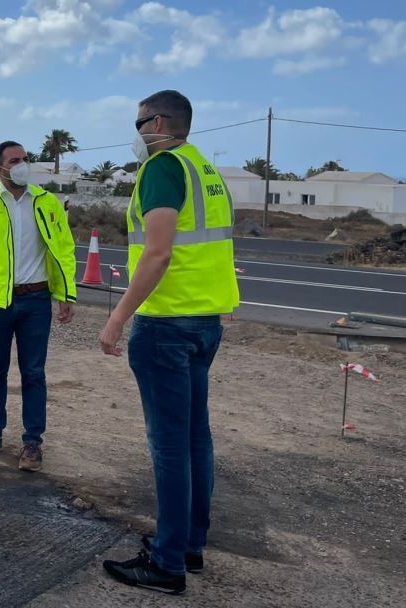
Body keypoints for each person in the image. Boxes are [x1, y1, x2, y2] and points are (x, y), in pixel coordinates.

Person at [99, 90, 240, 595]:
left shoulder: (162, 168)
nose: (136, 133)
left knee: (169, 446)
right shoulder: (205, 168)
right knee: (195, 437)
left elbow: (156, 254)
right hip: (205, 321)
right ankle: (188, 545)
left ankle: (166, 563)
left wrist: (118, 316)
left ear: (157, 122)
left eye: (139, 123)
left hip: (166, 324)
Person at [0, 141, 77, 471]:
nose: (22, 164)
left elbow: (64, 248)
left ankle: (32, 443)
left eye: (25, 158)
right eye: (15, 160)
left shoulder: (47, 202)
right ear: (0, 169)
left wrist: (66, 294)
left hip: (37, 301)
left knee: (34, 373)